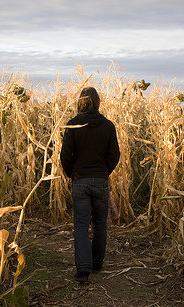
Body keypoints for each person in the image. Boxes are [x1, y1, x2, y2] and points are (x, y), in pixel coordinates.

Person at [60, 87, 120, 283]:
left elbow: (65, 156)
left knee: (81, 224)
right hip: (100, 180)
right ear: (98, 102)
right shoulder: (108, 126)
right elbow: (114, 155)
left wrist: (73, 174)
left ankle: (84, 270)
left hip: (80, 181)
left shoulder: (73, 125)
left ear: (81, 102)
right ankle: (97, 263)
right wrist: (103, 173)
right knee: (101, 223)